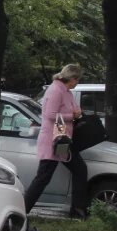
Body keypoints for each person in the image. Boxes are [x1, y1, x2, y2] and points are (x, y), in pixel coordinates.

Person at [25, 63, 89, 219]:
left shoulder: (66, 91)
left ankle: (78, 209)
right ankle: (23, 209)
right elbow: (49, 114)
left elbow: (74, 109)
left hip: (63, 141)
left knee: (79, 169)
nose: (77, 83)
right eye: (77, 80)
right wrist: (71, 116)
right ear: (72, 78)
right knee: (43, 177)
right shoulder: (55, 90)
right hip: (53, 141)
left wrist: (77, 114)